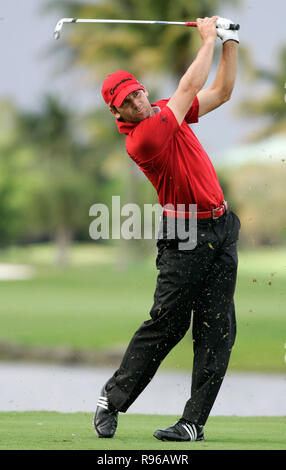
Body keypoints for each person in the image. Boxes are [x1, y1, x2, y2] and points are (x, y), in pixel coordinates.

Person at [94, 16, 241, 442]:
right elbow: (191, 86)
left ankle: (192, 423)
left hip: (221, 227)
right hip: (184, 234)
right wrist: (209, 38)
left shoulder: (163, 110)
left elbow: (222, 92)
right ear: (116, 111)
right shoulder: (144, 138)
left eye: (137, 91)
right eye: (127, 100)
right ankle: (112, 399)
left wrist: (230, 42)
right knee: (167, 324)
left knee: (217, 328)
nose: (138, 101)